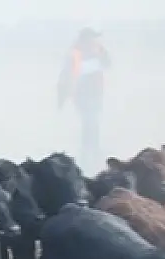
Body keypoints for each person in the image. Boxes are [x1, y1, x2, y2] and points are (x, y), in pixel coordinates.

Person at [57, 27, 111, 172]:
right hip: (82, 95)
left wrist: (102, 53)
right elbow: (65, 75)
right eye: (92, 37)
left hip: (97, 94)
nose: (95, 40)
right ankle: (88, 156)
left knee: (93, 124)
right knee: (90, 123)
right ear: (84, 39)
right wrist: (61, 97)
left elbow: (107, 64)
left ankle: (93, 153)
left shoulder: (98, 50)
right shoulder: (75, 53)